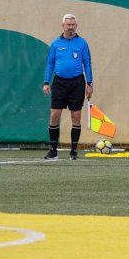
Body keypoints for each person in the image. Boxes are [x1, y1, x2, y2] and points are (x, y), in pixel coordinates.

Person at [42, 14, 93, 161]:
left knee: (75, 117)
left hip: (77, 83)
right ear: (63, 26)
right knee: (54, 115)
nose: (70, 27)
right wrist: (46, 82)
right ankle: (53, 152)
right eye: (68, 24)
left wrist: (90, 83)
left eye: (73, 25)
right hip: (59, 83)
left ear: (76, 26)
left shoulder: (82, 43)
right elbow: (50, 64)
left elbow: (87, 64)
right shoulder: (56, 44)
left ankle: (73, 152)